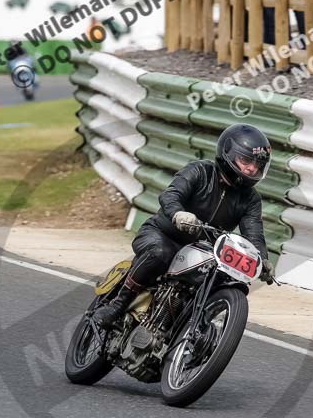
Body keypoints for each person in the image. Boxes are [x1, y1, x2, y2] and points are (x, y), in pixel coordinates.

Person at [94, 124, 275, 328]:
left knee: (219, 277)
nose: (252, 168)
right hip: (164, 234)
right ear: (227, 154)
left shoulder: (251, 200)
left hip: (204, 251)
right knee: (160, 252)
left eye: (258, 164)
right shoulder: (200, 171)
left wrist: (262, 259)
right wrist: (179, 214)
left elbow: (254, 234)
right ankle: (117, 306)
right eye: (246, 160)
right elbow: (171, 195)